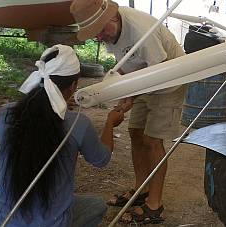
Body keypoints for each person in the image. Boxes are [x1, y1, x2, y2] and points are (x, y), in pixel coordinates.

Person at [70, 0, 186, 224]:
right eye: (95, 34)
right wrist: (128, 97)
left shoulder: (142, 31)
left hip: (168, 79)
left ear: (113, 18)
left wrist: (131, 96)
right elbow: (123, 65)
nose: (100, 37)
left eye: (101, 31)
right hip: (144, 79)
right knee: (135, 132)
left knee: (152, 140)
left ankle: (155, 205)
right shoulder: (109, 31)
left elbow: (159, 74)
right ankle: (141, 189)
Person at [0, 44, 124, 227]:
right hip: (51, 223)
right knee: (97, 205)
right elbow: (102, 159)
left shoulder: (5, 115)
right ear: (74, 86)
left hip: (3, 218)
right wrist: (110, 123)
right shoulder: (77, 124)